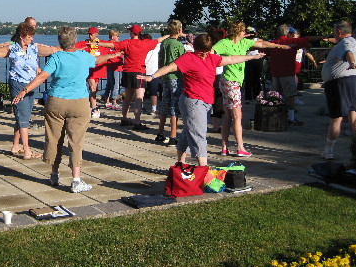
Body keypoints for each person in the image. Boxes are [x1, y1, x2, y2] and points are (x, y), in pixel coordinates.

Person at [11, 27, 121, 192]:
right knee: (76, 141)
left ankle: (54, 175)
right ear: (75, 40)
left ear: (59, 41)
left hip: (56, 102)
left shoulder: (56, 57)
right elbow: (97, 60)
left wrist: (24, 90)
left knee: (55, 138)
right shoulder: (84, 56)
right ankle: (76, 180)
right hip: (79, 103)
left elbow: (42, 77)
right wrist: (112, 55)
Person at [138, 34, 265, 166]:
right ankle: (203, 169)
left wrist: (253, 57)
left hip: (206, 103)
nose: (204, 54)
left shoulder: (212, 58)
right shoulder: (188, 58)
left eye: (207, 51)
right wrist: (152, 77)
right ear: (195, 48)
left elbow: (232, 58)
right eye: (201, 51)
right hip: (192, 102)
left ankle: (180, 163)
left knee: (188, 133)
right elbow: (170, 67)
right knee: (199, 136)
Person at [0, 22, 60, 159]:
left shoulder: (34, 48)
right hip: (17, 85)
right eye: (29, 36)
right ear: (21, 36)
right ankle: (27, 150)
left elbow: (54, 50)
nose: (31, 39)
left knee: (22, 116)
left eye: (32, 36)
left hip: (31, 86)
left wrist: (73, 49)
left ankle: (16, 146)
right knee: (24, 118)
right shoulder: (11, 49)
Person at [213, 21, 287, 157]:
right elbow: (210, 54)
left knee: (229, 116)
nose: (245, 33)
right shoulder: (223, 43)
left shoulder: (244, 43)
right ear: (237, 32)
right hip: (230, 82)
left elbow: (263, 44)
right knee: (237, 116)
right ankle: (240, 148)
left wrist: (279, 46)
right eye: (243, 31)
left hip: (232, 82)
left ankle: (224, 147)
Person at [99, 24, 168, 130]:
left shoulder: (126, 42)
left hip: (127, 72)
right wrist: (169, 35)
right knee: (139, 98)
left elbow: (112, 45)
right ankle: (137, 121)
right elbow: (158, 40)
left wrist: (98, 43)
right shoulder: (145, 43)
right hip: (139, 72)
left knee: (127, 98)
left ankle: (124, 118)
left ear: (131, 33)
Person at [265, 24, 327, 126]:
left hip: (275, 74)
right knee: (290, 96)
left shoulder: (272, 43)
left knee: (275, 96)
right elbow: (307, 39)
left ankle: (275, 116)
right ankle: (291, 117)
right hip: (288, 73)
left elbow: (262, 47)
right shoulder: (292, 42)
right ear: (288, 33)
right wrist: (322, 37)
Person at [321, 21, 356, 159]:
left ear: (339, 32)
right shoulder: (353, 41)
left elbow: (348, 52)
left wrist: (352, 63)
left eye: (334, 32)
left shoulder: (346, 42)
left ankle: (328, 151)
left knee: (336, 118)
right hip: (355, 81)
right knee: (355, 117)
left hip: (341, 84)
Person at [154, 20, 185, 145]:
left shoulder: (165, 43)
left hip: (165, 76)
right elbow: (183, 62)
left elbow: (160, 60)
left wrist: (161, 74)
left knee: (165, 104)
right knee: (174, 106)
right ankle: (173, 135)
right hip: (176, 77)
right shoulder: (179, 45)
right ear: (179, 30)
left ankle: (160, 133)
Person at [75, 27, 108, 118]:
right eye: (89, 34)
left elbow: (112, 46)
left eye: (91, 34)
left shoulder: (101, 43)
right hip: (89, 70)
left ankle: (91, 106)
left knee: (94, 89)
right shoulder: (85, 43)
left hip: (97, 70)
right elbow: (72, 47)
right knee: (93, 88)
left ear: (96, 34)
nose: (89, 35)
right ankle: (94, 109)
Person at [291, 27, 318, 104]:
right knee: (294, 77)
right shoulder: (293, 41)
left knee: (295, 76)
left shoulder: (300, 42)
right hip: (293, 61)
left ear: (298, 35)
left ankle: (294, 92)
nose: (293, 35)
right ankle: (294, 94)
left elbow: (307, 52)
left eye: (295, 34)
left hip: (297, 61)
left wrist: (313, 61)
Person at [102, 29, 123, 110]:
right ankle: (114, 102)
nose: (118, 38)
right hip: (115, 66)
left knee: (109, 84)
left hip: (110, 66)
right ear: (113, 36)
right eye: (117, 36)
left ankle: (107, 101)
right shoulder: (114, 45)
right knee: (115, 84)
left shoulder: (107, 44)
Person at [142, 33, 161, 114]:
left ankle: (140, 106)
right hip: (154, 73)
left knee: (141, 91)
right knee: (153, 92)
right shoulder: (156, 46)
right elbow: (160, 41)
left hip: (143, 71)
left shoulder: (141, 47)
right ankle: (154, 108)